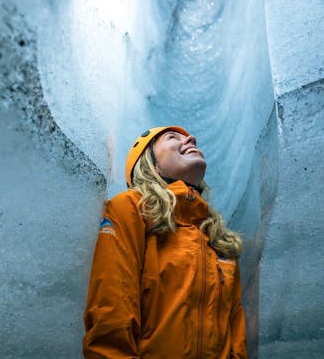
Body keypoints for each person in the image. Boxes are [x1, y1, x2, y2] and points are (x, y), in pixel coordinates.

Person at [83, 126, 247, 358]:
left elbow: (236, 334)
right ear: (151, 163)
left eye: (188, 137)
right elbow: (111, 312)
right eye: (172, 137)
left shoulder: (219, 239)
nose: (192, 138)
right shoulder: (130, 210)